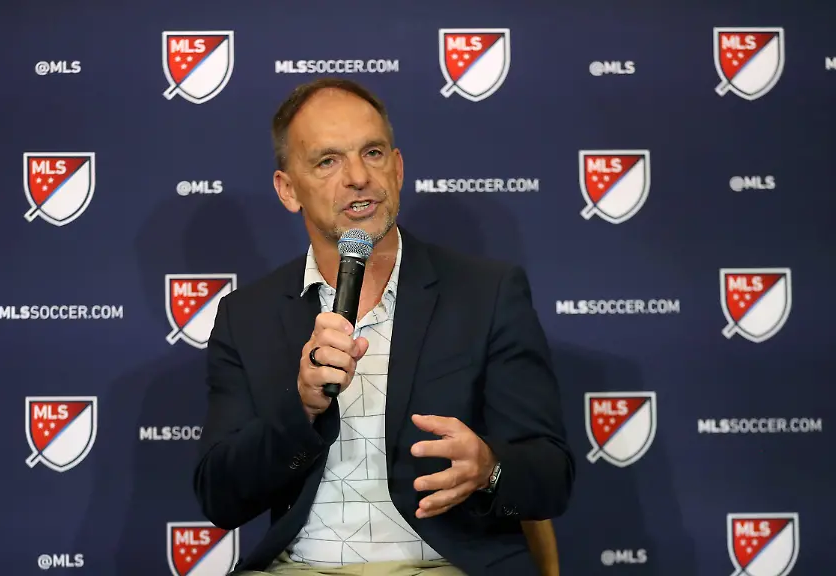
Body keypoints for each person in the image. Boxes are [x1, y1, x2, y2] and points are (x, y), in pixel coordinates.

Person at [193, 77, 574, 576]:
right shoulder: (247, 315)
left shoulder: (486, 293)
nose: (358, 177)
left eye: (372, 153)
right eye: (328, 161)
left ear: (397, 168)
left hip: (441, 567)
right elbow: (220, 498)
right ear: (288, 190)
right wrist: (300, 409)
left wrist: (490, 468)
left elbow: (551, 477)